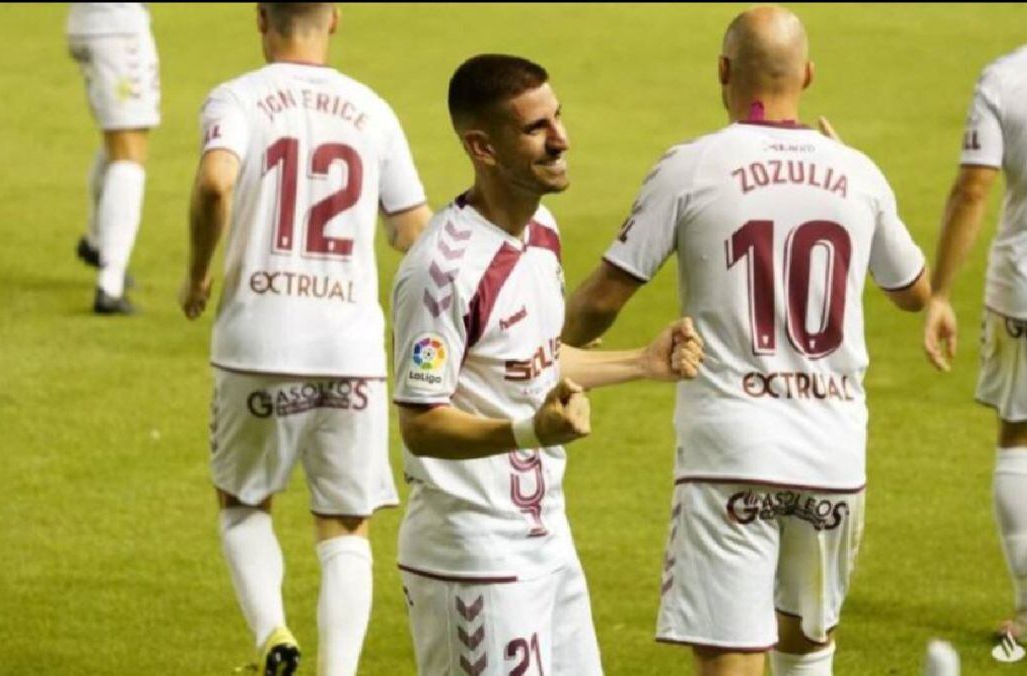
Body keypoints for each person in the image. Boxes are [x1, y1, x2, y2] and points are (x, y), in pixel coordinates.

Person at [562, 7, 930, 675]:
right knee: (807, 642)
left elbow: (602, 300)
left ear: (723, 70)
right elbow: (913, 291)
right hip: (833, 453)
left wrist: (533, 353)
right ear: (808, 75)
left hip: (730, 449)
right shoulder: (858, 172)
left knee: (731, 651)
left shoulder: (693, 165)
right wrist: (854, 178)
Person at [391, 54, 704, 676]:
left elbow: (531, 361)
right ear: (482, 147)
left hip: (547, 540)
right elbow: (421, 423)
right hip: (474, 555)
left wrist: (642, 363)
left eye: (557, 117)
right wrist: (530, 432)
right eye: (536, 128)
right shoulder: (442, 272)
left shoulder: (542, 233)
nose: (561, 139)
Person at [178, 4, 432, 674]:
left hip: (257, 345)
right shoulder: (372, 109)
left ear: (261, 16)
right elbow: (414, 230)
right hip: (351, 352)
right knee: (346, 525)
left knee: (243, 503)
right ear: (335, 18)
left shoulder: (238, 98)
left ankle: (274, 635)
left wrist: (198, 273)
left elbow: (214, 182)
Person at [922, 44, 1027, 641]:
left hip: (1022, 288)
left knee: (1019, 436)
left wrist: (940, 293)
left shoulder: (1004, 80)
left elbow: (972, 190)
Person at [67, 2, 159, 314]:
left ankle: (97, 243)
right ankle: (111, 284)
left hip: (88, 25)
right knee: (129, 154)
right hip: (117, 31)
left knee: (116, 142)